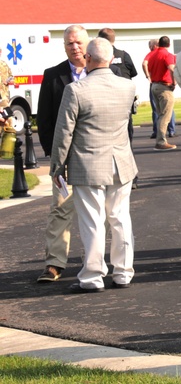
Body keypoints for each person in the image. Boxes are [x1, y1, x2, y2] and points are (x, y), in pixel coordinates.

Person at [49, 37, 138, 293]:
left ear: (88, 58)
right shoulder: (127, 87)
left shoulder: (76, 90)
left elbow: (63, 133)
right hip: (121, 162)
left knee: (93, 222)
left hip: (87, 165)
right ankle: (123, 272)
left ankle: (92, 276)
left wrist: (57, 166)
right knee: (120, 218)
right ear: (111, 59)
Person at [35, 25, 89, 283]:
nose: (74, 47)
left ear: (87, 44)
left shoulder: (103, 72)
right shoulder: (53, 76)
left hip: (95, 157)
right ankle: (54, 264)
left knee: (100, 212)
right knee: (60, 209)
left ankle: (97, 262)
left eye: (78, 42)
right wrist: (53, 154)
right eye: (69, 43)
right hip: (64, 160)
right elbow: (44, 118)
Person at [98, 28, 137, 142]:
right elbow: (132, 73)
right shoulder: (124, 55)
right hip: (124, 98)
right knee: (126, 127)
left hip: (104, 98)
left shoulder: (96, 57)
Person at [146, 36, 177, 150]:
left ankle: (160, 139)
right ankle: (161, 141)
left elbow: (146, 65)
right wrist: (174, 82)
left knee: (160, 114)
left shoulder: (153, 55)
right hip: (164, 87)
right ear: (169, 44)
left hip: (154, 85)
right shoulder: (167, 55)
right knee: (165, 115)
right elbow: (171, 68)